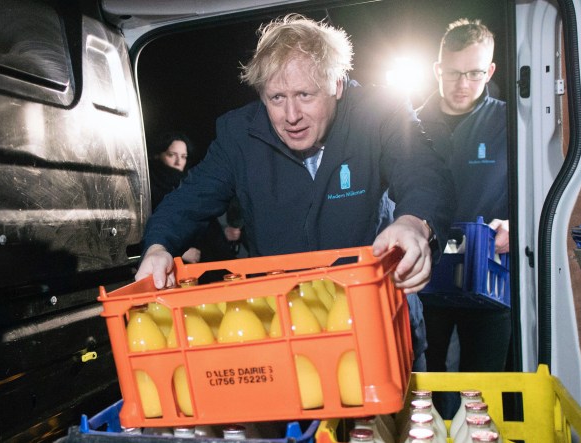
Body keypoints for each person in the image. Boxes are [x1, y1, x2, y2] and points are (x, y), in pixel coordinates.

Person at [136, 14, 455, 308]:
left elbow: (422, 168)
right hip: (283, 318)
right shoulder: (238, 134)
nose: (291, 117)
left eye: (305, 95)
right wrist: (157, 247)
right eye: (277, 98)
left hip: (376, 309)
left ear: (337, 85)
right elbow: (190, 199)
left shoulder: (380, 112)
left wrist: (414, 222)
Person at [416, 18, 510, 394]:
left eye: (473, 73)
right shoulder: (409, 124)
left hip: (489, 275)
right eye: (453, 73)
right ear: (437, 69)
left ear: (490, 71)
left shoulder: (511, 121)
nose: (462, 84)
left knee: (484, 392)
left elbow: (541, 187)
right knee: (425, 386)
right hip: (426, 275)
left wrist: (515, 223)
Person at [148, 131, 237, 264]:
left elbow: (205, 224)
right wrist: (177, 253)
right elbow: (151, 228)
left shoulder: (189, 184)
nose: (178, 162)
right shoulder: (151, 189)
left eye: (183, 156)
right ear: (157, 155)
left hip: (208, 259)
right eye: (172, 155)